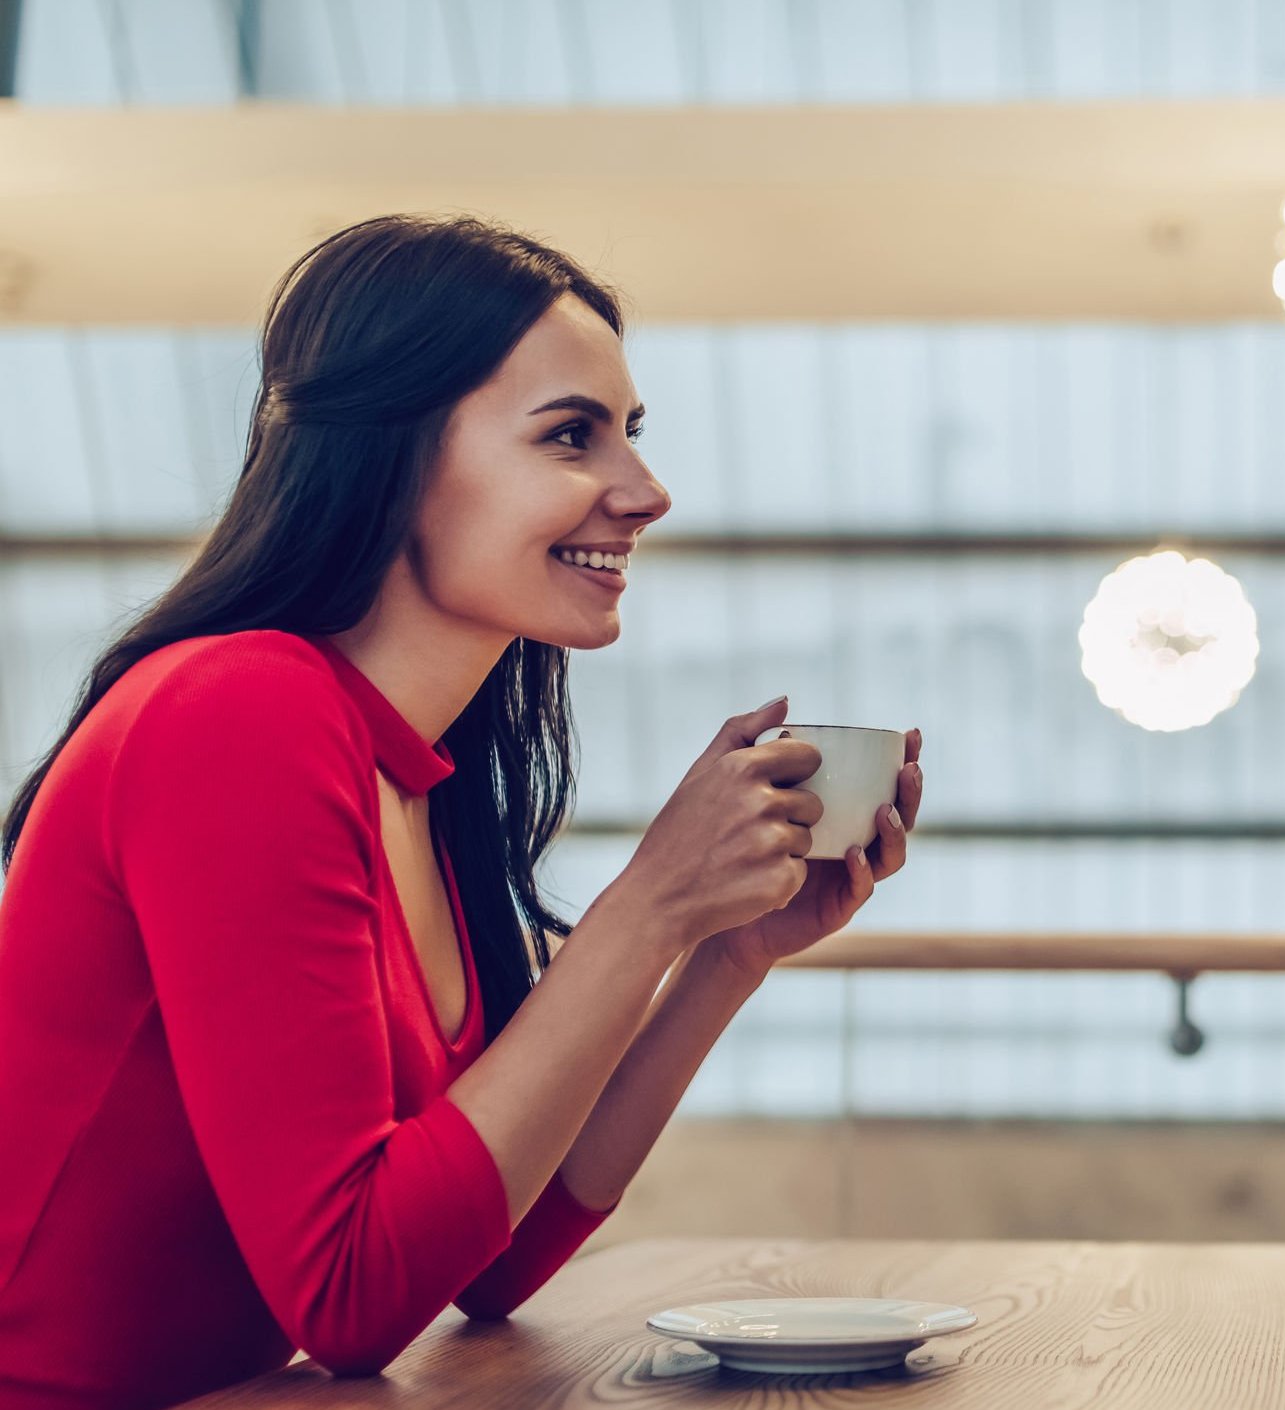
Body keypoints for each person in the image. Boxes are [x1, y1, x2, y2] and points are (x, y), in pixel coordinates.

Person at [0, 215, 921, 1410]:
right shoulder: (236, 713)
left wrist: (721, 950)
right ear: (396, 455)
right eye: (570, 436)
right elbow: (349, 1300)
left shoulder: (412, 777)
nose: (644, 493)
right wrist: (644, 908)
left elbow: (484, 1253)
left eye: (628, 435)